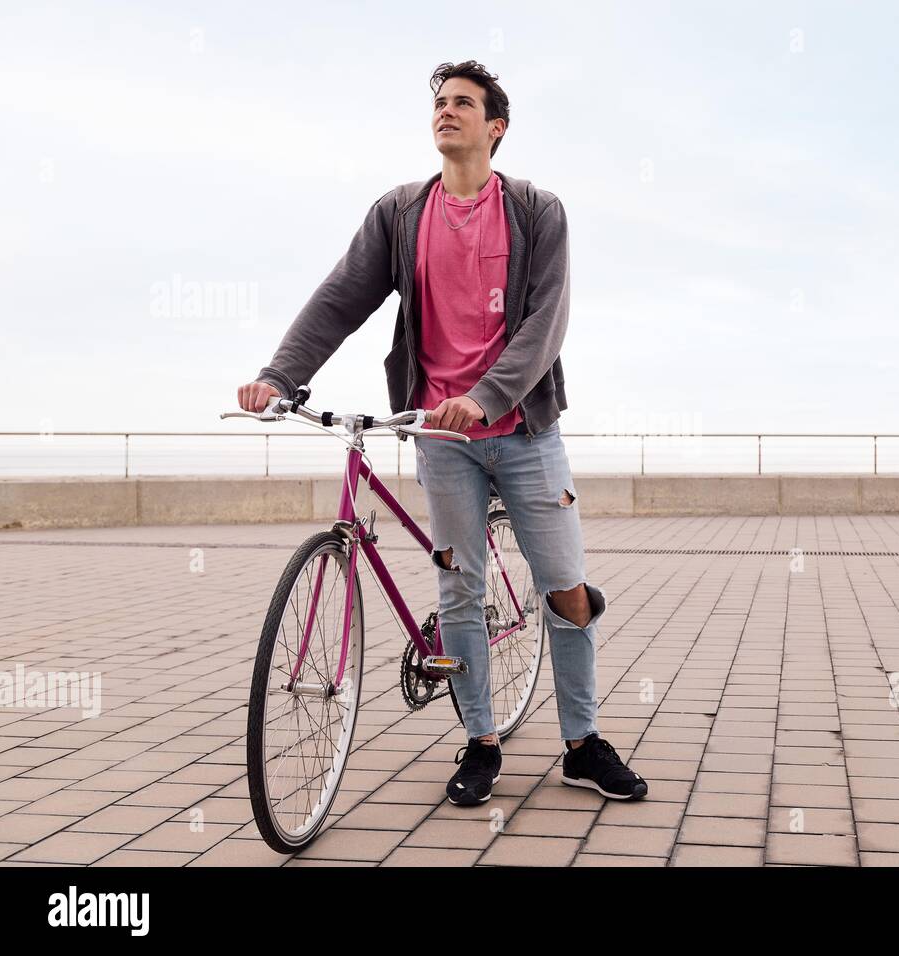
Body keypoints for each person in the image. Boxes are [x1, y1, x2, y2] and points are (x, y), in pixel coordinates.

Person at [236, 60, 647, 807]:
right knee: (460, 592)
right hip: (438, 438)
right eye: (439, 103)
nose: (445, 112)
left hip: (524, 432)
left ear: (496, 127)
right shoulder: (399, 214)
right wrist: (280, 375)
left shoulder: (535, 210)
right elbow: (339, 300)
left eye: (463, 103)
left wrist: (487, 397)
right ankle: (481, 741)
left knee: (566, 592)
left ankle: (583, 745)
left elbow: (546, 323)